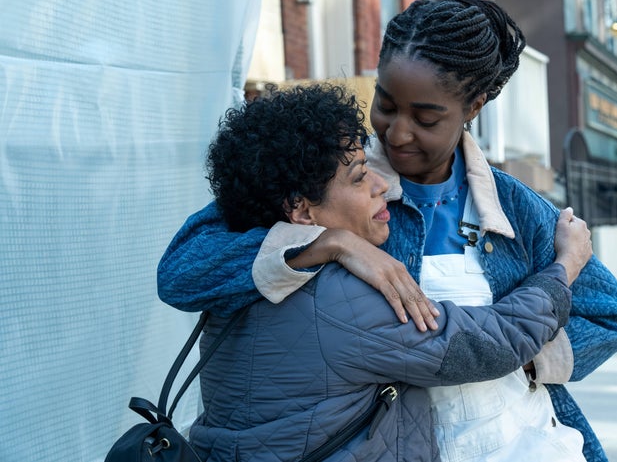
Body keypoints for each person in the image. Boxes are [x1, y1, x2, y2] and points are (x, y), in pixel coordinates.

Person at [157, 0, 617, 462]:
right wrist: (328, 242)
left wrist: (525, 362)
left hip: (521, 442)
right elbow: (183, 270)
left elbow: (615, 315)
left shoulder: (517, 210)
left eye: (425, 117)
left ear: (472, 107)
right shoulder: (321, 175)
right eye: (387, 104)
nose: (396, 132)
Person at [168, 83, 592, 461]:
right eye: (357, 178)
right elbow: (490, 343)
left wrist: (334, 240)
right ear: (300, 209)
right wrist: (563, 267)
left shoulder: (241, 273)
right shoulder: (340, 301)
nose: (381, 185)